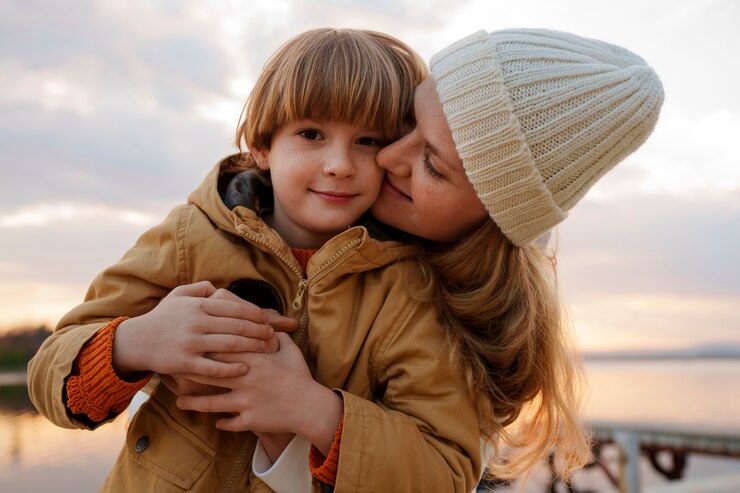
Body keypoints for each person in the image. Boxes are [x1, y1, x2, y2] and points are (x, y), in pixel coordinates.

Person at [172, 27, 665, 490]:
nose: (387, 157)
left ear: (491, 221)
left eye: (431, 162)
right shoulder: (243, 220)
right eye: (403, 124)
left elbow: (437, 471)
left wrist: (310, 413)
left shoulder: (462, 332)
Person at [29, 28, 487, 492]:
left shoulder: (408, 289)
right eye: (312, 133)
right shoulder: (191, 236)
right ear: (263, 146)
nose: (340, 164)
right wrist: (137, 341)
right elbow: (50, 371)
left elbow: (445, 473)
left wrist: (311, 408)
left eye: (368, 140)